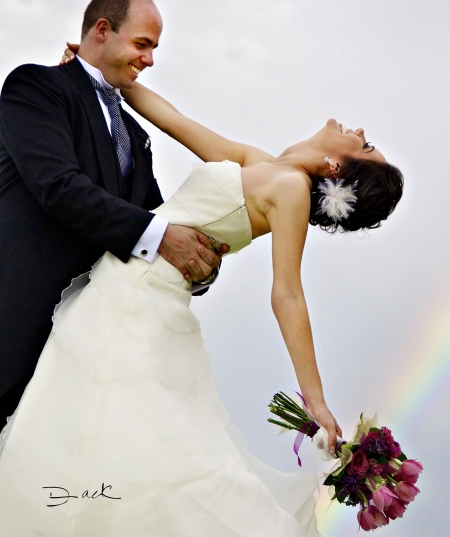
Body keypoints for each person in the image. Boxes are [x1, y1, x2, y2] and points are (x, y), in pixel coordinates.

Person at [0, 58, 403, 535]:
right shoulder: (262, 162)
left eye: (366, 144)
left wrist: (315, 401)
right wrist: (102, 74)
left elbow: (288, 295)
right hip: (124, 290)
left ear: (335, 167)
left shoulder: (290, 189)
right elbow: (172, 119)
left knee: (127, 431)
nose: (358, 129)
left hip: (137, 305)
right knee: (103, 427)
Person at [0, 0, 225, 432]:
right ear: (103, 30)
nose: (150, 59)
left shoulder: (135, 139)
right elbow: (59, 187)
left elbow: (162, 218)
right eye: (142, 44)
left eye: (154, 48)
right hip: (12, 322)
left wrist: (202, 262)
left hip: (78, 353)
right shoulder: (37, 87)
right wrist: (162, 238)